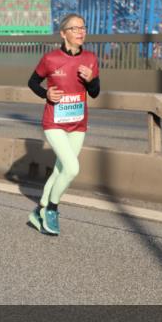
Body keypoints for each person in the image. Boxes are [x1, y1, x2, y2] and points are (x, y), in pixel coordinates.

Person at [26, 13, 100, 236]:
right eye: (75, 28)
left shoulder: (90, 58)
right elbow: (32, 82)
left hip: (78, 124)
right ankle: (52, 208)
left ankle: (38, 211)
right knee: (72, 168)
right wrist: (46, 93)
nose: (80, 32)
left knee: (61, 170)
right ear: (63, 33)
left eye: (83, 28)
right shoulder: (50, 59)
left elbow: (95, 93)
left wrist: (91, 80)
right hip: (54, 123)